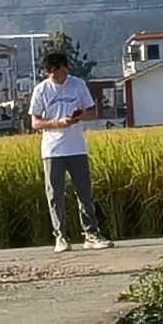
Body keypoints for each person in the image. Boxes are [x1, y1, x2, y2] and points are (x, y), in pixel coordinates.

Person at [26, 43, 110, 249]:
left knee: (84, 193)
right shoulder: (41, 90)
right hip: (52, 150)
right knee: (55, 194)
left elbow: (92, 112)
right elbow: (35, 122)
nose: (56, 77)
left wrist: (77, 117)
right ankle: (60, 236)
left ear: (66, 68)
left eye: (58, 72)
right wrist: (57, 123)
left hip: (77, 148)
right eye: (51, 74)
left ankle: (91, 234)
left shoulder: (78, 85)